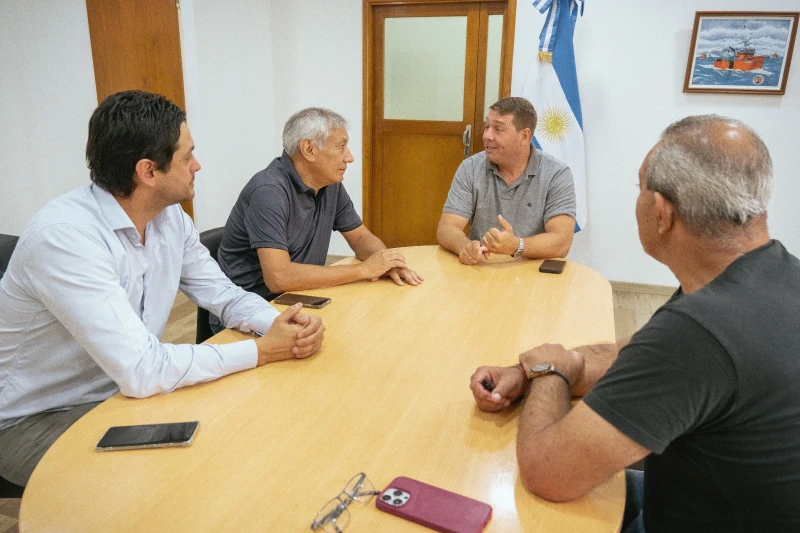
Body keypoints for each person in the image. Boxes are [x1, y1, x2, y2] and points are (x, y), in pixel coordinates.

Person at [469, 115, 800, 532]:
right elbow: (633, 353)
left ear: (662, 213)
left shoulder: (702, 333)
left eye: (639, 189)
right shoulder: (767, 276)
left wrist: (547, 370)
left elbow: (546, 471)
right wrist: (526, 370)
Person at [0, 91, 325, 490]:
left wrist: (283, 323)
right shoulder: (66, 239)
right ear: (148, 171)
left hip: (119, 391)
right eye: (187, 156)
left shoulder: (167, 218)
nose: (197, 165)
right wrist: (262, 349)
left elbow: (223, 294)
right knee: (175, 479)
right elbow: (141, 369)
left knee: (243, 426)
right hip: (33, 420)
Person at [217, 107, 422, 306]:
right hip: (252, 308)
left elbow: (360, 238)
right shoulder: (268, 191)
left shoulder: (330, 185)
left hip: (299, 298)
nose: (349, 157)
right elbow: (279, 278)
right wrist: (365, 270)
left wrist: (388, 264)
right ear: (309, 149)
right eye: (341, 146)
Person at [437, 97, 576, 265]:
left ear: (524, 136)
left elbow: (561, 242)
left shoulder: (556, 174)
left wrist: (516, 246)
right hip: (483, 268)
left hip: (533, 272)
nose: (487, 136)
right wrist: (464, 247)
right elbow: (447, 227)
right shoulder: (471, 168)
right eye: (487, 126)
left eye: (498, 129)